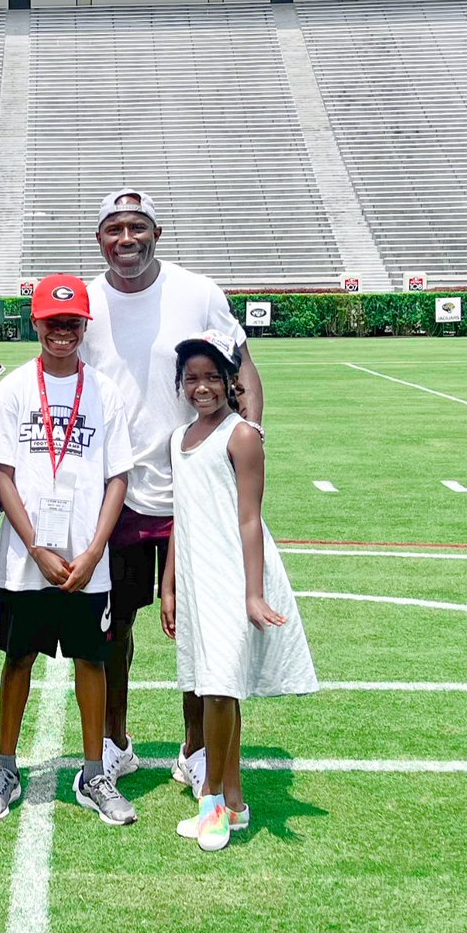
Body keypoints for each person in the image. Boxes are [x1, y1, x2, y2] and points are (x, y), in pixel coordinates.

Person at [78, 188, 264, 795]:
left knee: (198, 624)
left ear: (157, 232)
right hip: (116, 490)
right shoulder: (85, 301)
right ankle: (115, 743)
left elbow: (244, 365)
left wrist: (250, 433)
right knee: (115, 626)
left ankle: (196, 750)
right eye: (114, 229)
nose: (125, 239)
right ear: (100, 237)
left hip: (193, 486)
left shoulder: (199, 291)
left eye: (137, 227)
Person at [0, 274, 137, 826]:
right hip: (27, 560)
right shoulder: (11, 391)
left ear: (84, 326)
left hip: (87, 561)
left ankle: (95, 772)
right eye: (52, 322)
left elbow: (118, 478)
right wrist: (36, 546)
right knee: (17, 658)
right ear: (35, 325)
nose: (62, 332)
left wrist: (93, 553)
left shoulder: (106, 391)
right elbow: (3, 476)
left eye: (72, 322)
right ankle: (5, 767)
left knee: (92, 660)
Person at [161, 330, 317, 851]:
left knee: (220, 689)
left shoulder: (242, 435)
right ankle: (235, 801)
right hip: (196, 576)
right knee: (215, 685)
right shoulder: (178, 439)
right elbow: (181, 518)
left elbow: (250, 520)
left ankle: (211, 806)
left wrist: (254, 594)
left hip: (233, 573)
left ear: (231, 381)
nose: (201, 387)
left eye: (211, 377)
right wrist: (169, 585)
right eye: (191, 378)